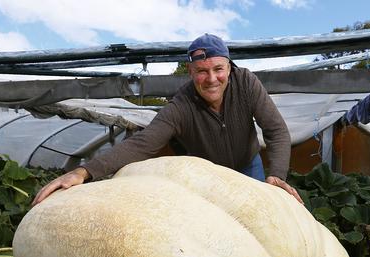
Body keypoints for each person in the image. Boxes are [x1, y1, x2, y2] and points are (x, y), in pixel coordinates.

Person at [32, 33, 302, 206]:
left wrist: (276, 176)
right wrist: (84, 171)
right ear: (190, 72)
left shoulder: (247, 84)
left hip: (248, 165)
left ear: (229, 68)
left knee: (260, 217)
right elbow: (144, 143)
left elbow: (276, 130)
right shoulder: (181, 104)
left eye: (218, 69)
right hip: (209, 176)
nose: (211, 79)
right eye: (201, 71)